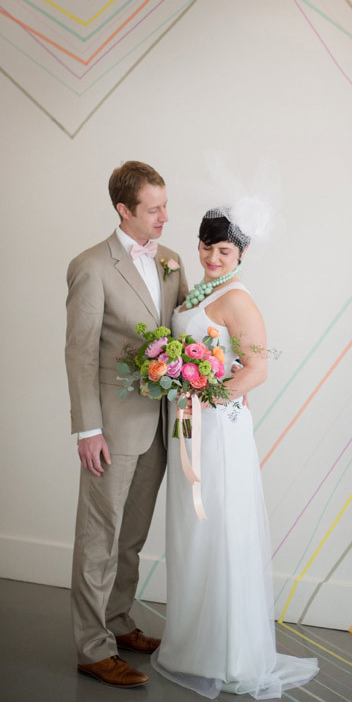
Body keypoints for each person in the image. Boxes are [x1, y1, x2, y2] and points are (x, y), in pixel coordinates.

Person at [151, 205, 318, 698]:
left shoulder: (238, 299)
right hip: (189, 427)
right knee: (192, 533)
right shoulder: (200, 291)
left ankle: (227, 654)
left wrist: (203, 396)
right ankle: (192, 645)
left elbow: (257, 369)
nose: (213, 257)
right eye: (207, 247)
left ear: (241, 253)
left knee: (218, 530)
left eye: (224, 250)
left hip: (217, 432)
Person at [65, 160, 188, 688]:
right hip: (111, 430)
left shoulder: (172, 261)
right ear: (124, 209)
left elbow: (184, 332)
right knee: (99, 537)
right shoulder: (91, 266)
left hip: (158, 425)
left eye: (165, 205)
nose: (164, 217)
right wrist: (87, 429)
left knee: (132, 537)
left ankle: (117, 622)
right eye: (154, 208)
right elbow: (79, 353)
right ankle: (92, 649)